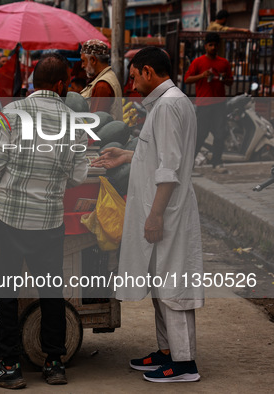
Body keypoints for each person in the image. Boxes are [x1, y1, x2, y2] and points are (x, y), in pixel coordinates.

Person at [92, 47, 203, 383]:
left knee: (173, 288)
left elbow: (169, 168)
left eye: (135, 75)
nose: (132, 82)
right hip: (160, 211)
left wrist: (155, 215)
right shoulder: (166, 104)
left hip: (166, 212)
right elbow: (157, 152)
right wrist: (126, 155)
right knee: (160, 285)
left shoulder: (169, 106)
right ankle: (168, 352)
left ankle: (184, 364)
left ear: (149, 72)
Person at [0, 53, 89, 389]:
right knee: (52, 292)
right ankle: (54, 363)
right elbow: (78, 175)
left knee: (1, 291)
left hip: (8, 218)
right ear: (60, 84)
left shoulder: (11, 114)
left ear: (33, 82)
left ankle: (9, 364)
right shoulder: (74, 123)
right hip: (50, 222)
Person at [184, 32, 233, 173]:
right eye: (210, 45)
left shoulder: (224, 63)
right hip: (204, 105)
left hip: (220, 105)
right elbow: (187, 79)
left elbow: (230, 82)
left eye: (215, 45)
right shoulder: (198, 62)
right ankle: (189, 164)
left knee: (220, 134)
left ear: (219, 46)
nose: (213, 47)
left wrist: (225, 79)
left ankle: (217, 163)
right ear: (205, 46)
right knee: (200, 135)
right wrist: (202, 75)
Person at [79, 39, 123, 120]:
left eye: (83, 61)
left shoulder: (102, 86)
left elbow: (95, 123)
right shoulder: (108, 77)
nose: (82, 66)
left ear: (93, 60)